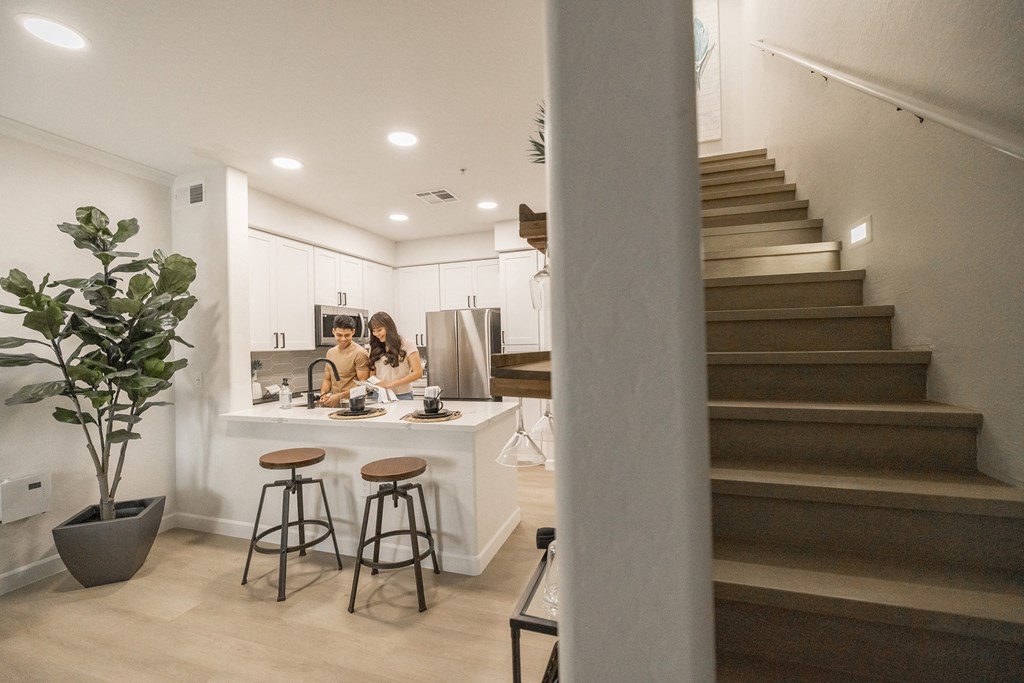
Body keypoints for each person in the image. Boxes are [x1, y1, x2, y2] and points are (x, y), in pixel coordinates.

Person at [367, 311, 423, 400]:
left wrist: (390, 384)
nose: (376, 334)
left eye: (379, 330)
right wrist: (374, 383)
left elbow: (418, 373)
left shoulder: (407, 344)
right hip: (379, 395)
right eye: (373, 331)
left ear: (389, 328)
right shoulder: (374, 347)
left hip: (403, 395)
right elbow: (372, 374)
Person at [318, 315, 369, 407]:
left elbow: (364, 386)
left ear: (353, 332)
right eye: (339, 335)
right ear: (333, 331)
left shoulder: (360, 353)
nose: (343, 339)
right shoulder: (330, 352)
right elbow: (327, 379)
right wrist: (323, 394)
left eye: (347, 335)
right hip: (335, 404)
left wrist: (338, 397)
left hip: (354, 404)